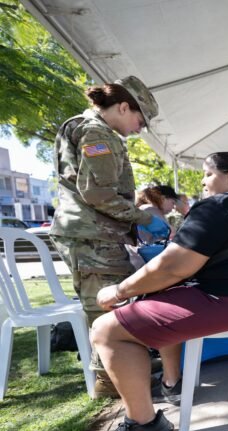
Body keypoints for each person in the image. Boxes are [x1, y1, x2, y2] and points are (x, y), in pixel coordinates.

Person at [79, 151, 228, 431]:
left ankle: (144, 424)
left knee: (105, 329)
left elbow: (174, 266)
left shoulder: (220, 205)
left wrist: (119, 290)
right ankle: (171, 382)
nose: (202, 181)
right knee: (160, 293)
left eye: (207, 174)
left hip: (226, 304)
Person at [49, 75, 167, 398]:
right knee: (102, 308)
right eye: (140, 121)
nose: (140, 129)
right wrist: (143, 218)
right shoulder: (96, 133)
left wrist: (131, 228)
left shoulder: (92, 130)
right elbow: (98, 194)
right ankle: (111, 381)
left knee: (112, 302)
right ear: (124, 106)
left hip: (94, 234)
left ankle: (124, 369)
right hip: (89, 236)